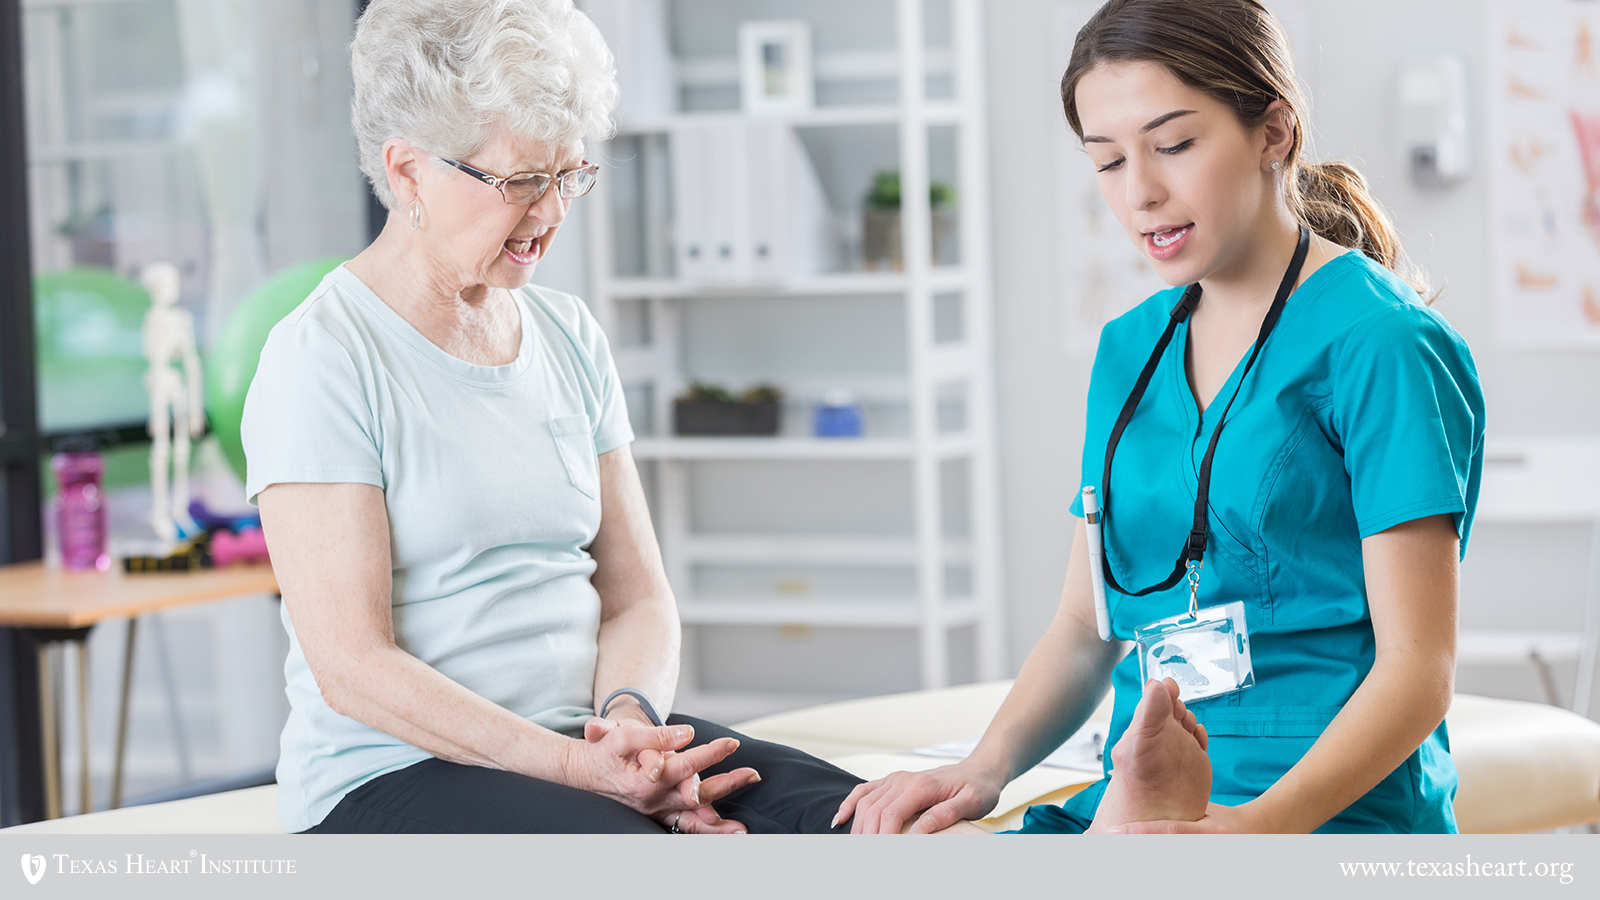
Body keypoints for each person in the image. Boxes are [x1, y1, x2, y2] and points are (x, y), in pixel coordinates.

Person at [835, 0, 1483, 835]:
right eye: (1107, 162)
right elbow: (1085, 625)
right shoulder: (1130, 350)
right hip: (1138, 799)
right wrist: (979, 771)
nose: (1140, 192)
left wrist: (1249, 835)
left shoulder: (1382, 344)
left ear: (1273, 131)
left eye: (1174, 145)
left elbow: (1417, 668)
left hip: (1323, 815)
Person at [242, 0, 860, 834]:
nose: (553, 210)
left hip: (582, 745)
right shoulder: (321, 355)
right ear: (408, 171)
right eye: (521, 182)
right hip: (394, 777)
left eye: (570, 173)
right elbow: (354, 666)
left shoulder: (568, 333)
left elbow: (638, 597)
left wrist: (632, 731)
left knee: (858, 818)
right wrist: (582, 772)